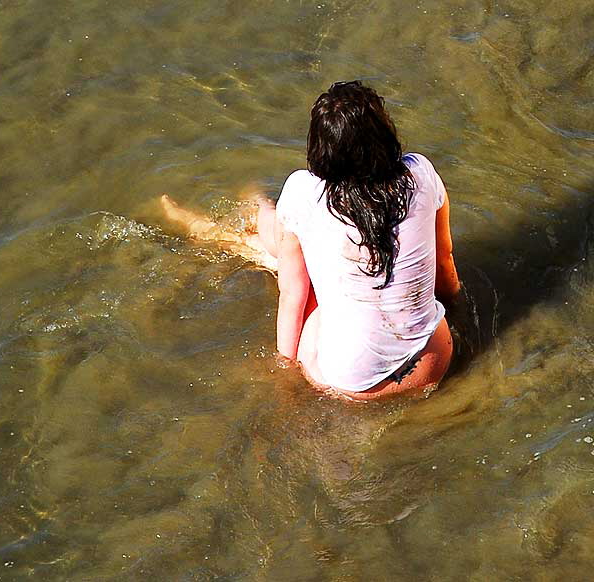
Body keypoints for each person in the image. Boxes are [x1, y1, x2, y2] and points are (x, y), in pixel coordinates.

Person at [160, 80, 461, 400]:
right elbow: (444, 261)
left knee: (281, 260)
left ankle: (228, 221)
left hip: (352, 385)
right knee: (306, 253)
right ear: (384, 135)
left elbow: (294, 295)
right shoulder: (421, 174)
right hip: (434, 361)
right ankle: (254, 209)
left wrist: (284, 371)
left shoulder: (304, 192)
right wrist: (457, 308)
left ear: (322, 149)